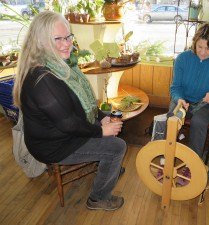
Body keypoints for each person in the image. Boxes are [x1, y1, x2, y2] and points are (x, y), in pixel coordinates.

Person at [13, 11, 126, 211]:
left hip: (61, 134)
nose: (67, 44)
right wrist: (100, 130)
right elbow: (68, 124)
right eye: (58, 39)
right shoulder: (43, 80)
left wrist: (100, 118)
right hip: (53, 145)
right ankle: (98, 198)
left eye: (68, 37)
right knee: (117, 147)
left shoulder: (60, 66)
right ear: (41, 42)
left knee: (110, 136)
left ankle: (108, 165)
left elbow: (79, 105)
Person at [169, 22, 209, 158]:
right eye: (200, 47)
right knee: (172, 117)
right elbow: (176, 87)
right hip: (184, 101)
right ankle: (167, 155)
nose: (203, 52)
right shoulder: (182, 59)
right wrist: (179, 98)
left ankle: (193, 162)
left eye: (208, 49)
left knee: (199, 121)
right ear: (195, 43)